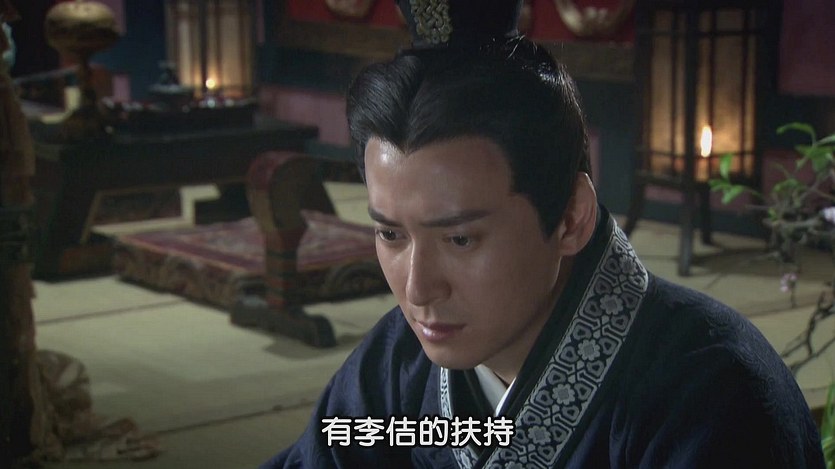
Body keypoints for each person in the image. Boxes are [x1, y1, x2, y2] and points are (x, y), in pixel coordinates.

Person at [262, 0, 825, 467]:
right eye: (391, 235)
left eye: (460, 239)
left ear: (571, 217)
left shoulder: (714, 399)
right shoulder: (398, 364)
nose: (418, 289)